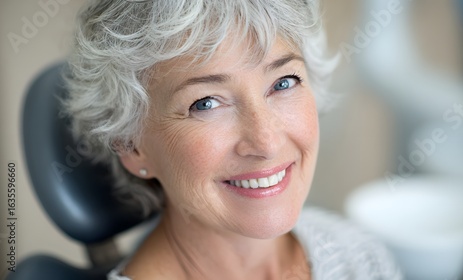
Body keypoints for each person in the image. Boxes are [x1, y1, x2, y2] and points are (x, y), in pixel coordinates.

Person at [64, 0, 402, 279]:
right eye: (206, 103)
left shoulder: (358, 256)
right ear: (131, 146)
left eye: (283, 82)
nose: (266, 141)